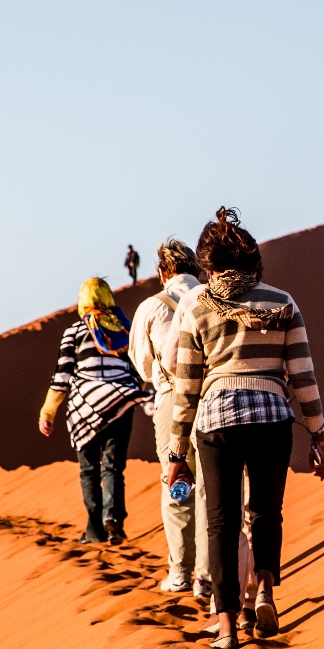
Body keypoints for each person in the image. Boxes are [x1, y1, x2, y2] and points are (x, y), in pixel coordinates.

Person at [162, 207, 324, 649]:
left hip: (216, 424)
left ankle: (228, 626)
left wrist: (177, 453)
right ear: (253, 259)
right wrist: (318, 431)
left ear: (208, 265)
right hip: (273, 419)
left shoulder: (199, 306)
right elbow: (303, 375)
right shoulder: (282, 301)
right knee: (265, 513)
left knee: (221, 523)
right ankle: (267, 594)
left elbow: (186, 386)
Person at [41, 278, 151, 544]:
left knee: (89, 470)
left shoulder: (74, 332)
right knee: (113, 467)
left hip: (83, 410)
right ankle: (113, 520)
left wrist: (47, 412)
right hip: (120, 405)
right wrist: (129, 392)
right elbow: (139, 369)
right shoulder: (124, 329)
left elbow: (62, 378)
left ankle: (94, 530)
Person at [129, 239, 203, 592]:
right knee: (212, 488)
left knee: (177, 484)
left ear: (163, 271)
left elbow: (142, 366)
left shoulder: (151, 307)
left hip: (172, 399)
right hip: (212, 396)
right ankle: (208, 574)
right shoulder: (211, 296)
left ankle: (180, 571)